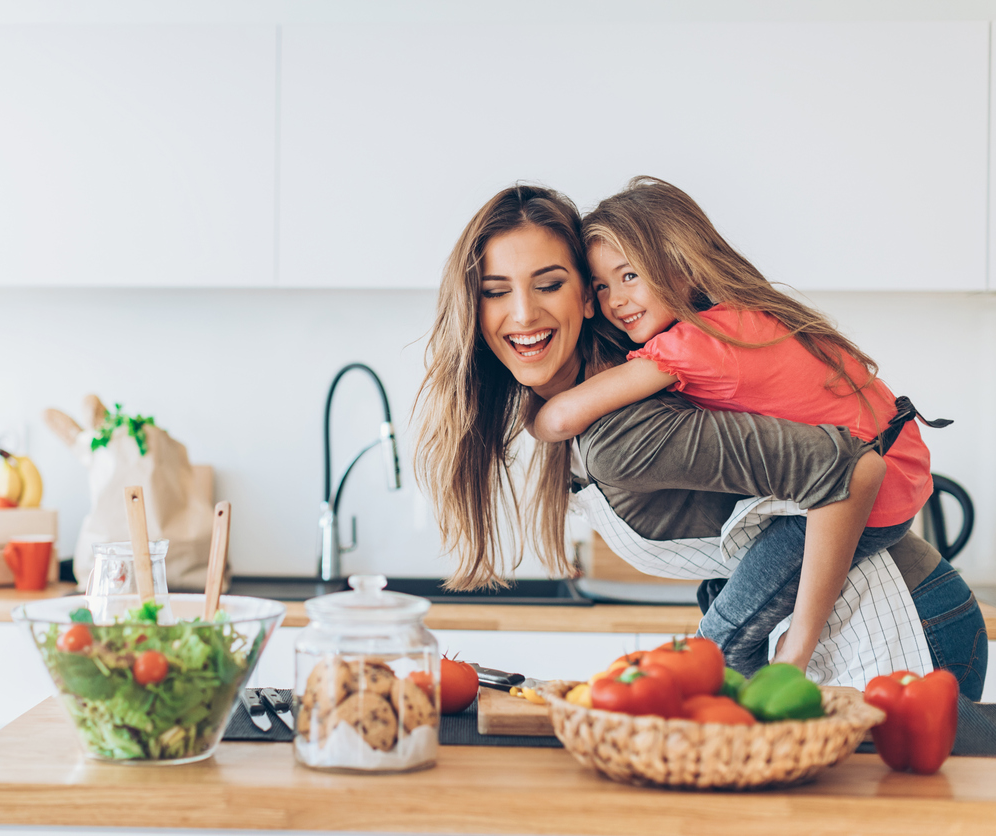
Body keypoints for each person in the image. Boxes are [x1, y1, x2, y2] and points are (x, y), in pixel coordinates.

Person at [413, 183, 986, 698]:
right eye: (494, 290)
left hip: (903, 627)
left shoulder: (627, 419)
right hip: (841, 640)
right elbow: (739, 534)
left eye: (549, 283)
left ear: (582, 298)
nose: (522, 312)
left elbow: (848, 468)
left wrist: (749, 656)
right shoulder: (623, 384)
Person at [528, 177, 945, 673]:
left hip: (870, 491)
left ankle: (787, 661)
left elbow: (561, 418)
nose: (615, 300)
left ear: (682, 264)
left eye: (630, 275)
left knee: (721, 637)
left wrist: (529, 408)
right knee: (723, 599)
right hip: (901, 473)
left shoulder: (694, 344)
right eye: (600, 285)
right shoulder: (738, 318)